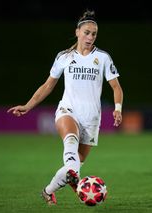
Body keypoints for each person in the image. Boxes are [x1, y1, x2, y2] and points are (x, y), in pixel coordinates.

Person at [7, 10, 123, 205]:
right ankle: (75, 180)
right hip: (68, 110)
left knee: (75, 166)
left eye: (94, 34)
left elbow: (116, 87)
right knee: (70, 142)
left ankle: (48, 190)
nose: (90, 37)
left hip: (92, 119)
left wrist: (118, 108)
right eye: (86, 32)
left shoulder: (102, 58)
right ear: (77, 31)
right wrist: (28, 105)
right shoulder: (64, 57)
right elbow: (48, 85)